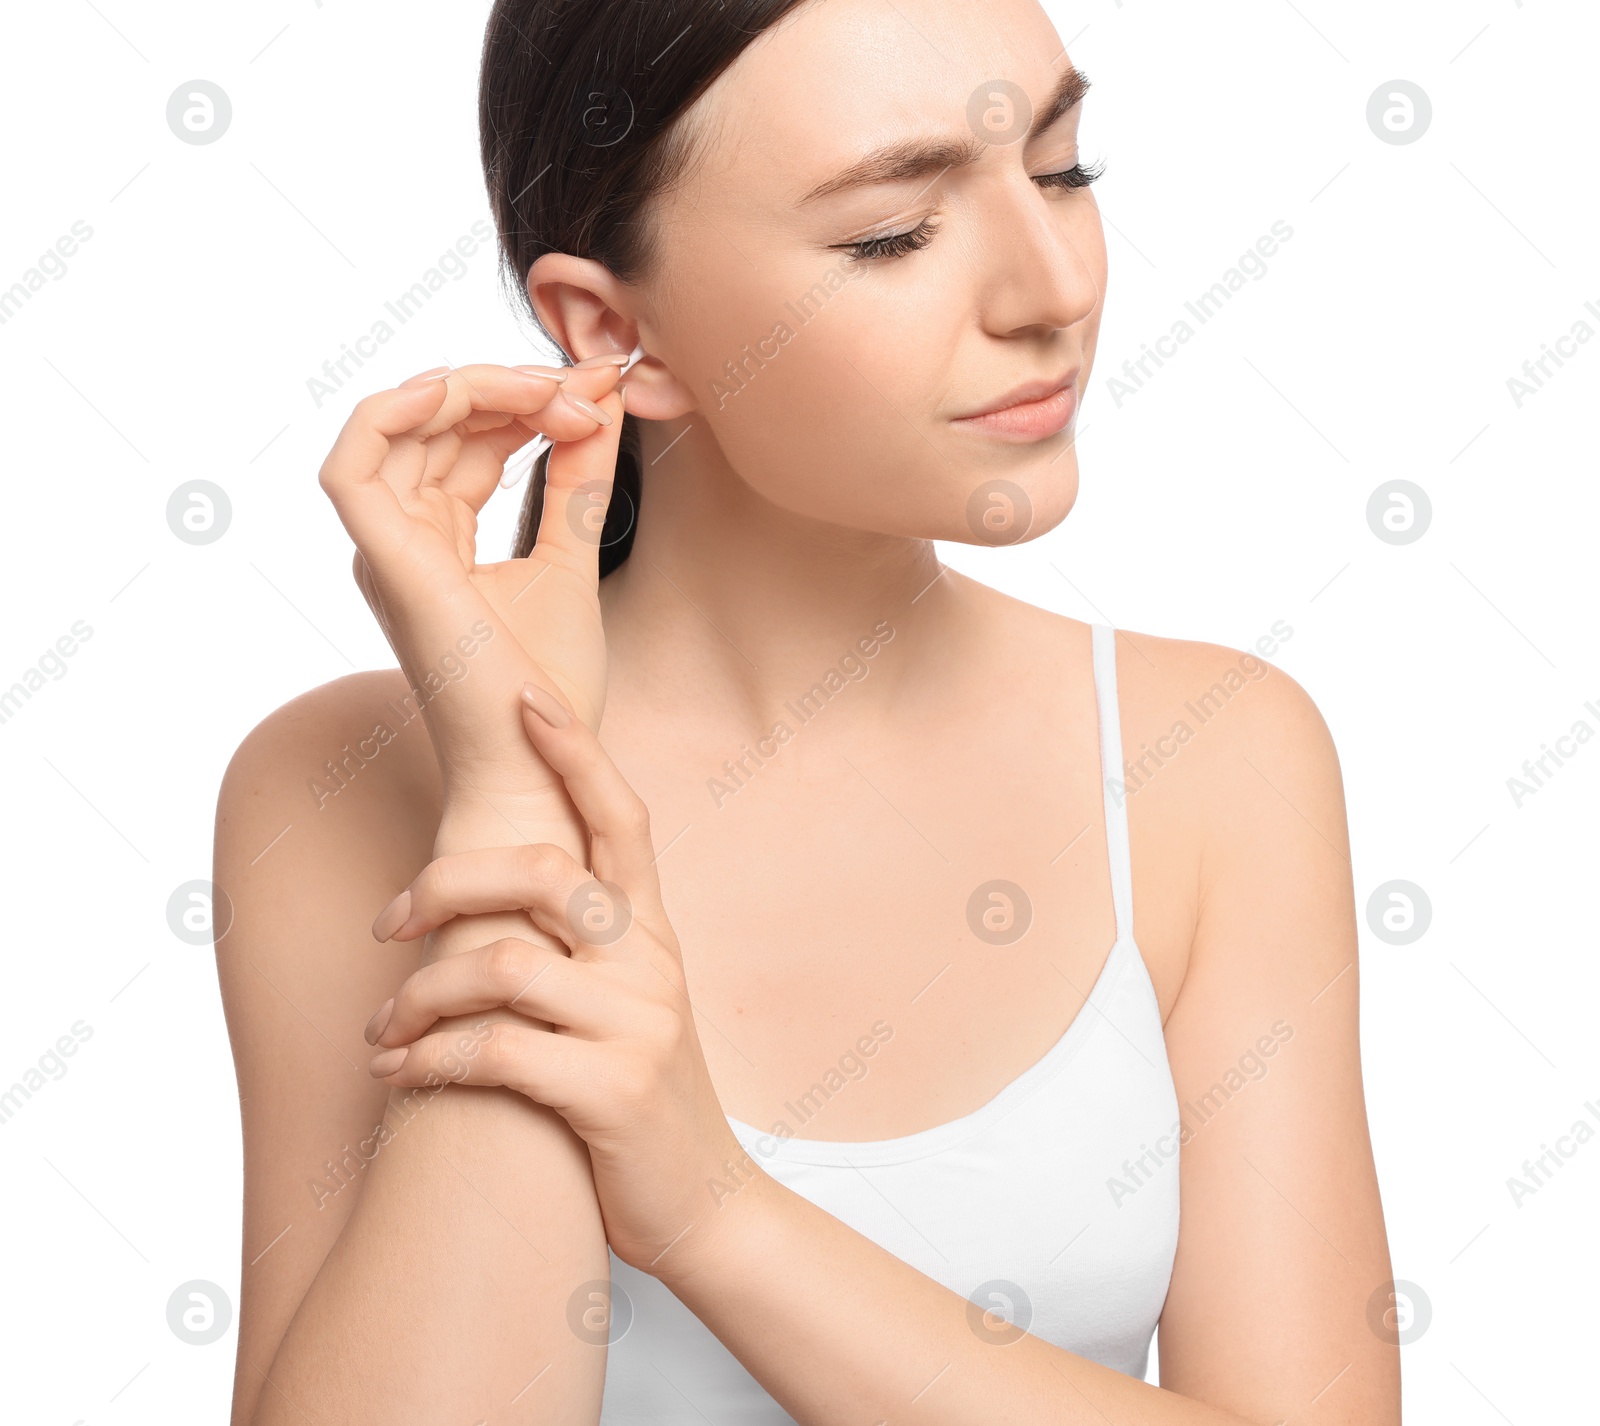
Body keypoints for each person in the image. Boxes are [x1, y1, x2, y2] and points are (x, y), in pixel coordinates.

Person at [214, 1, 1399, 1421]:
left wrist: (715, 1213)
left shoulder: (1213, 761)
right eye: (894, 233)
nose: (1049, 287)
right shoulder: (337, 792)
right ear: (613, 330)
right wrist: (518, 794)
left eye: (1062, 168)